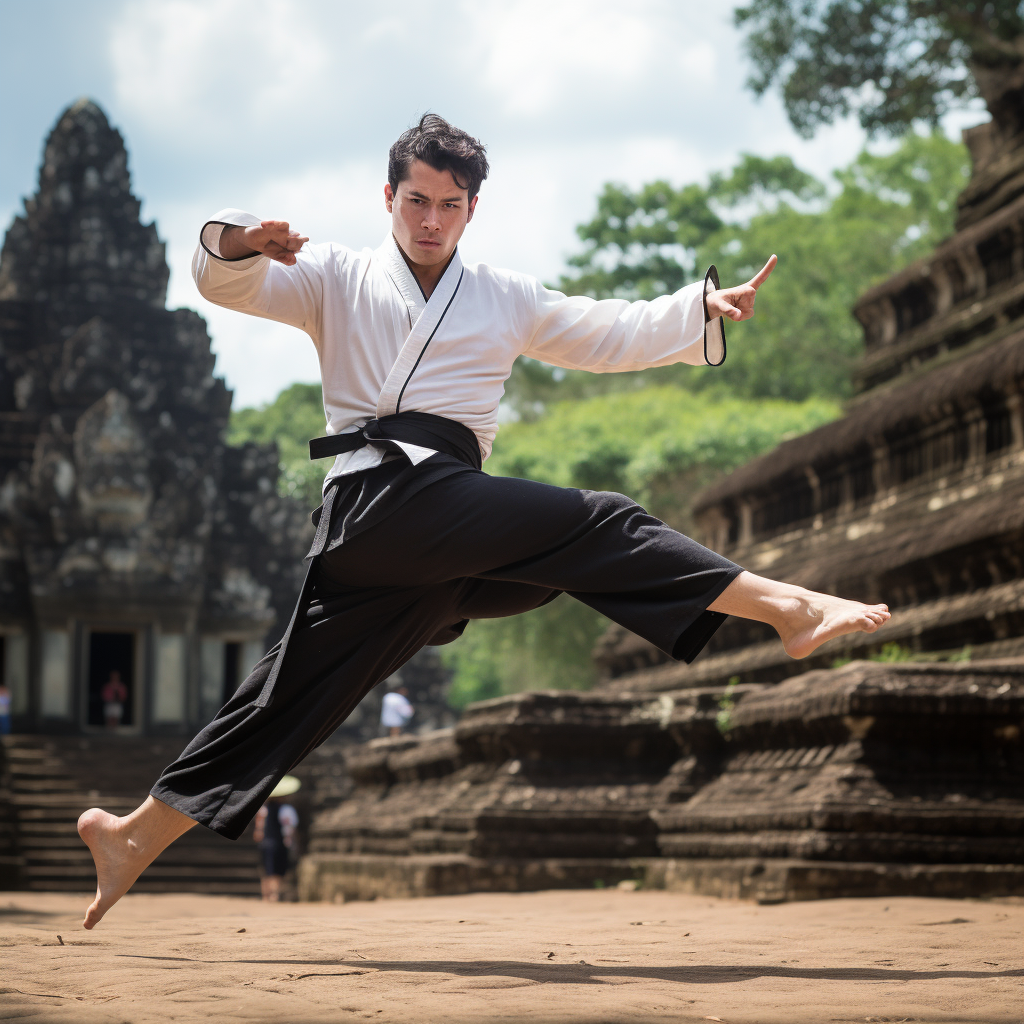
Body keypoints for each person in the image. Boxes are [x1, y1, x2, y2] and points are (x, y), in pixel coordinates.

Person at [77, 114, 890, 929]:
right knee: (600, 523)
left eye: (451, 205)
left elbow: (605, 331)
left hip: (443, 538)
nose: (431, 220)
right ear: (388, 197)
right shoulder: (333, 274)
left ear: (472, 210)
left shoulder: (502, 296)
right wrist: (244, 242)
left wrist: (697, 309)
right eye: (417, 200)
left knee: (294, 691)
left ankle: (133, 836)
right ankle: (787, 608)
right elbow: (225, 283)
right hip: (379, 507)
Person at [253, 775, 299, 902]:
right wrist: (291, 841)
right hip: (279, 842)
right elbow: (289, 828)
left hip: (265, 842)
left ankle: (265, 895)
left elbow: (258, 831)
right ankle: (275, 894)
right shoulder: (286, 809)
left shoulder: (263, 809)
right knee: (277, 869)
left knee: (266, 868)